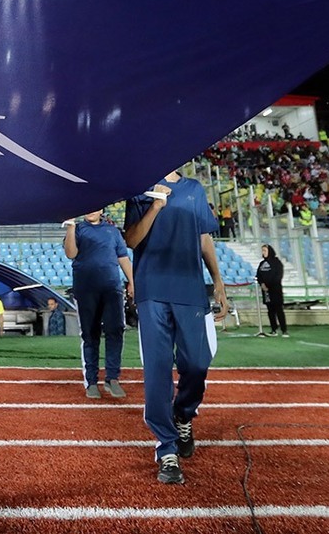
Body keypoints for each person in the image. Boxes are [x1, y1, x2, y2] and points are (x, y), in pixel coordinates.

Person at [124, 169, 227, 486]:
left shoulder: (194, 188)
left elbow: (204, 237)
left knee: (197, 363)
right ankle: (166, 448)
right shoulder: (138, 188)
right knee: (157, 370)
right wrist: (155, 206)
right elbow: (131, 239)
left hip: (190, 288)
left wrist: (218, 281)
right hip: (152, 289)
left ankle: (183, 412)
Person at [63, 211, 134, 399]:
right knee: (90, 334)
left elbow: (123, 257)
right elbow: (71, 253)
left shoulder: (112, 231)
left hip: (111, 289)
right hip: (86, 290)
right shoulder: (78, 229)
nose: (91, 211)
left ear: (102, 210)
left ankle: (112, 378)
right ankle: (91, 381)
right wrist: (70, 227)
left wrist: (132, 281)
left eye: (95, 207)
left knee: (116, 330)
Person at [256, 244, 288, 337]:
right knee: (270, 311)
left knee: (279, 310)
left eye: (265, 251)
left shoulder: (277, 263)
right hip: (266, 291)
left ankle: (284, 330)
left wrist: (270, 285)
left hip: (275, 290)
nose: (263, 253)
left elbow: (279, 276)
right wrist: (262, 284)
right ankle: (274, 329)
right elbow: (258, 276)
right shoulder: (262, 264)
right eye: (262, 251)